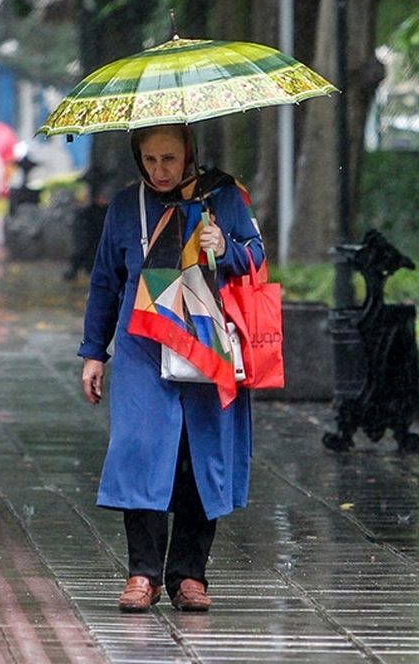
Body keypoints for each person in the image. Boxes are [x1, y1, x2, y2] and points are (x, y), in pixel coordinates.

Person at [79, 123, 264, 613]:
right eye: (150, 160)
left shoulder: (224, 196)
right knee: (141, 450)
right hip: (141, 347)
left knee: (199, 455)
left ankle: (189, 575)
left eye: (169, 159)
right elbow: (105, 280)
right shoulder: (127, 206)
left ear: (189, 153)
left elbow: (256, 255)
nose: (160, 171)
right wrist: (94, 352)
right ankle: (143, 573)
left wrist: (226, 248)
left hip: (207, 344)